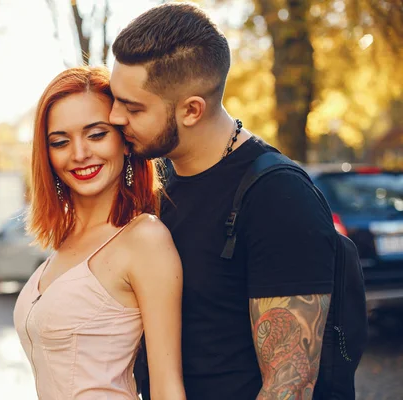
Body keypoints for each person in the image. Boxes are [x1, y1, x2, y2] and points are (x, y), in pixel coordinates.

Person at [109, 3, 336, 400]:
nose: (114, 117)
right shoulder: (159, 181)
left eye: (132, 108)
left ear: (191, 110)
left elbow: (291, 384)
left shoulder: (278, 198)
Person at [13, 66, 186, 400]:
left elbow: (167, 388)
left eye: (96, 134)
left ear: (124, 140)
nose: (79, 154)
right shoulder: (65, 241)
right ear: (46, 155)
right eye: (60, 141)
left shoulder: (144, 240)